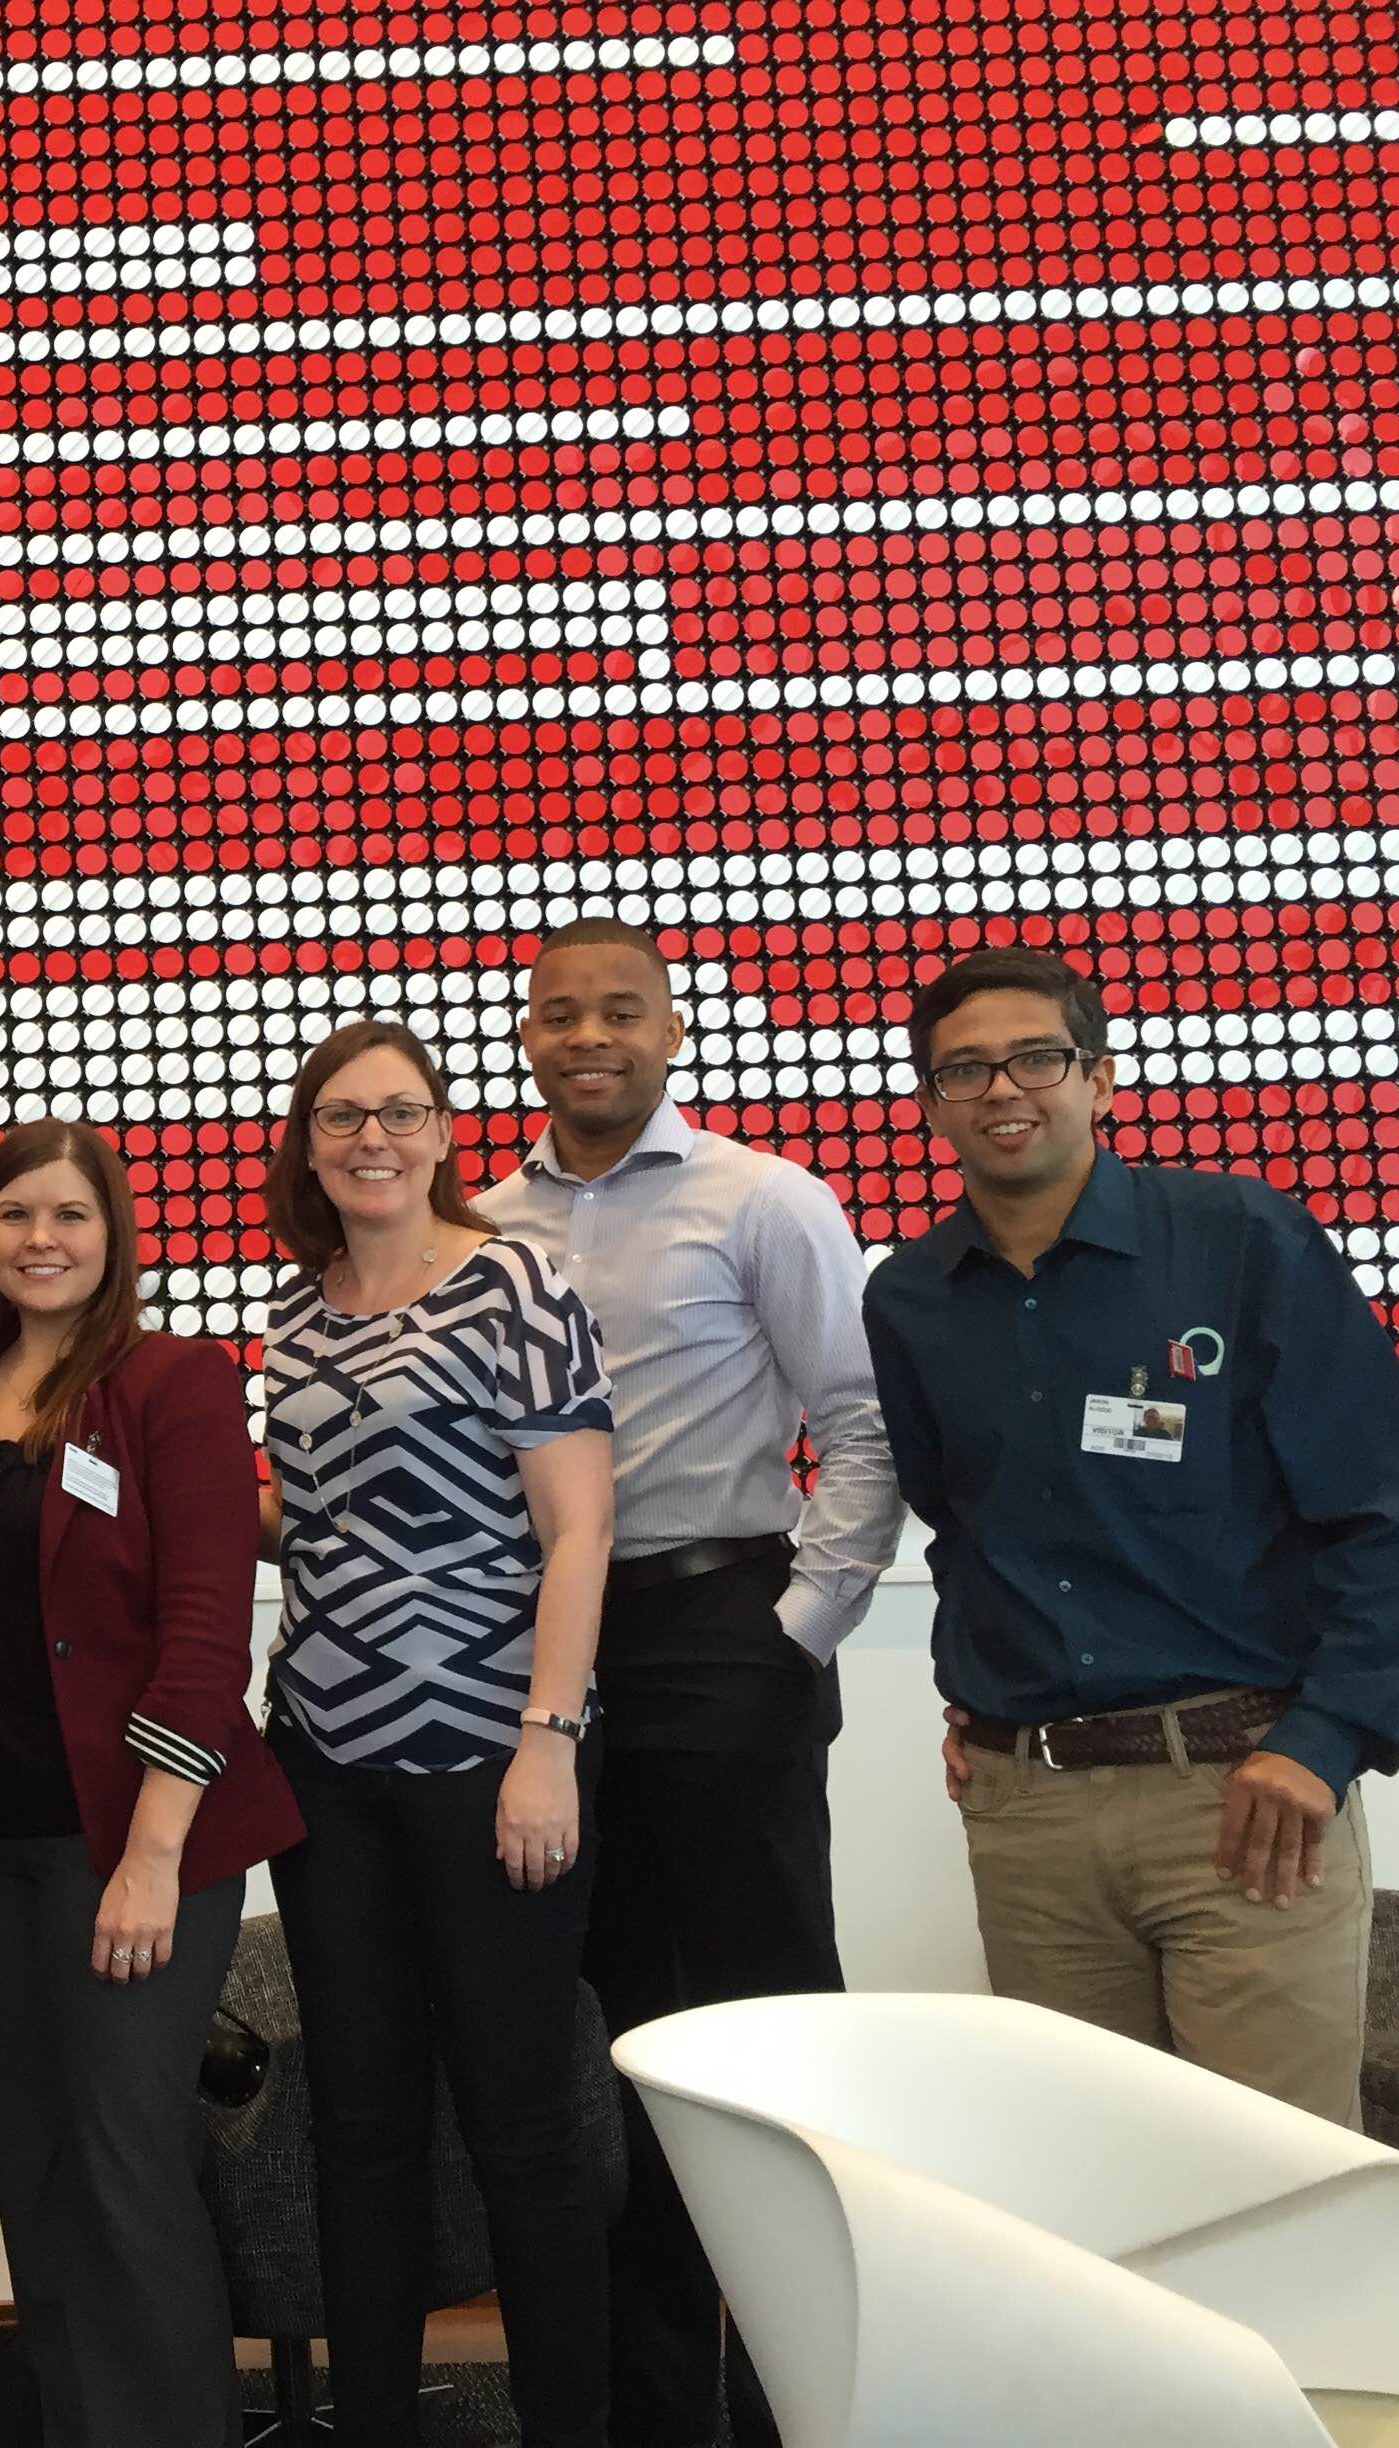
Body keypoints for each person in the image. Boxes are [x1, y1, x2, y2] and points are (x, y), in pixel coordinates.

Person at [862, 946, 1399, 2125]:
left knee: (1278, 2192)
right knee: (1092, 2202)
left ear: (1098, 1079)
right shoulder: (911, 1300)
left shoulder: (1242, 1243)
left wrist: (1325, 1740)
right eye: (964, 1071)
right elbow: (966, 1522)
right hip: (1028, 1812)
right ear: (930, 1103)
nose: (1003, 1091)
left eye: (1037, 1058)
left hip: (1242, 1796)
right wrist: (980, 1703)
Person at [475, 919, 902, 2448]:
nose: (586, 1036)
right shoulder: (479, 1227)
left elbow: (861, 1424)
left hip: (726, 1636)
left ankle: (818, 2409)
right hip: (549, 1669)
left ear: (671, 1032)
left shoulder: (765, 1199)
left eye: (619, 1012)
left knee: (768, 2047)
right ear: (525, 1038)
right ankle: (660, 2419)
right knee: (611, 2054)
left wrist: (795, 1636)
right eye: (556, 1015)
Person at [0, 1120, 303, 2448]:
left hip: (125, 1842)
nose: (40, 1240)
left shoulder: (169, 1379)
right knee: (34, 2173)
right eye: (16, 1215)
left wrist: (151, 1853)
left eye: (69, 1216)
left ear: (114, 1233)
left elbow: (205, 1630)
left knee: (127, 2172)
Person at [257, 1019, 616, 2448]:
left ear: (446, 1131)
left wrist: (550, 1740)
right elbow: (325, 1522)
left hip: (489, 1757)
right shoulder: (295, 1314)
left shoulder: (518, 1281)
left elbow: (579, 1527)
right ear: (307, 1142)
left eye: (398, 1113)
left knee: (524, 2130)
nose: (370, 1140)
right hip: (327, 1762)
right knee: (358, 2127)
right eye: (341, 1117)